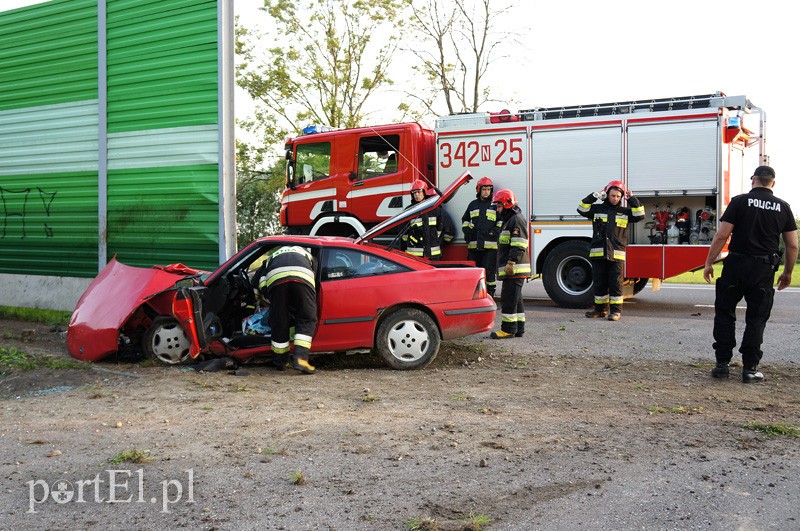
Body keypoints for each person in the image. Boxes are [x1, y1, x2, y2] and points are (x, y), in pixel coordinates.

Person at [703, 165, 797, 383]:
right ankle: (750, 369)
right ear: (773, 183)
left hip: (735, 265)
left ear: (753, 180)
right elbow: (792, 245)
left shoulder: (739, 201)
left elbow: (721, 235)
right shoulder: (783, 207)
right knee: (757, 318)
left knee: (725, 313)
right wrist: (788, 272)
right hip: (763, 270)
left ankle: (722, 365)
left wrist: (709, 262)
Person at [577, 180, 645, 321]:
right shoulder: (597, 210)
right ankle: (600, 310)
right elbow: (581, 208)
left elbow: (640, 215)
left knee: (615, 283)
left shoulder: (625, 212)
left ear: (621, 197)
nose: (615, 199)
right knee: (599, 282)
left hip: (616, 254)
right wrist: (594, 196)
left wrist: (631, 198)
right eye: (612, 195)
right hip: (598, 253)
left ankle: (615, 312)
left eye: (618, 196)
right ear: (607, 194)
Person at [257, 245, 318, 374]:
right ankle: (301, 360)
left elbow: (260, 280)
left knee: (279, 321)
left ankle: (280, 362)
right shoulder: (307, 254)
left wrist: (268, 296)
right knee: (307, 318)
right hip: (303, 278)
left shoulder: (271, 257)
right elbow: (315, 278)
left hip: (276, 280)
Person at [489, 189, 530, 339]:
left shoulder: (515, 220)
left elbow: (519, 244)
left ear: (507, 204)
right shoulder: (510, 220)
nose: (497, 209)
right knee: (516, 300)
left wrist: (511, 263)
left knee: (508, 299)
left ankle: (507, 329)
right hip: (514, 269)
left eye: (499, 206)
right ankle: (519, 328)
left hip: (514, 269)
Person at [461, 177, 499, 297]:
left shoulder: (495, 205)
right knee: (475, 271)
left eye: (488, 189)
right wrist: (467, 231)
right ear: (479, 190)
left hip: (490, 247)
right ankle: (477, 295)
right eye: (484, 189)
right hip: (474, 246)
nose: (486, 192)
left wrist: (495, 231)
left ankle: (490, 295)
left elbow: (501, 221)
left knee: (489, 272)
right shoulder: (473, 205)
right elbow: (465, 220)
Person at [401, 179, 443, 260]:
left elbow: (440, 228)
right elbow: (404, 232)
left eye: (419, 192)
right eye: (414, 193)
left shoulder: (434, 209)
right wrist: (412, 240)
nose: (416, 195)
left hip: (433, 252)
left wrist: (433, 238)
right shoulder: (409, 211)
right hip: (415, 252)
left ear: (424, 192)